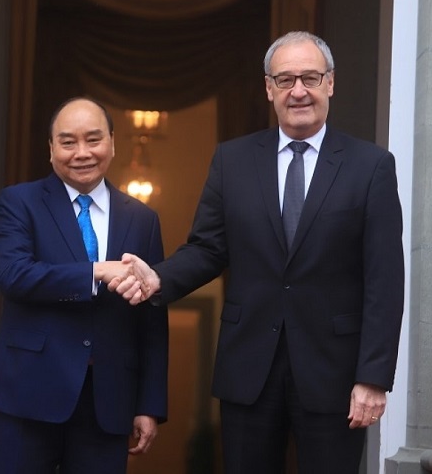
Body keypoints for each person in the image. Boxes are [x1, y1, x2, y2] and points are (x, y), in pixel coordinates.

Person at [111, 31, 404, 473]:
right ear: (269, 89)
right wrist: (159, 278)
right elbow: (208, 249)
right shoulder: (233, 161)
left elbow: (385, 279)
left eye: (310, 77)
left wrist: (373, 377)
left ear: (330, 83)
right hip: (249, 369)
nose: (298, 91)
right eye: (285, 80)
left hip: (335, 375)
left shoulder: (370, 166)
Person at [0, 97, 169, 474]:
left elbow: (151, 319)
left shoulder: (142, 219)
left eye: (93, 140)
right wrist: (95, 272)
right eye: (68, 142)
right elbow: (14, 275)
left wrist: (149, 405)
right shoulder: (19, 202)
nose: (82, 153)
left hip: (107, 401)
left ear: (112, 143)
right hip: (26, 394)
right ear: (51, 149)